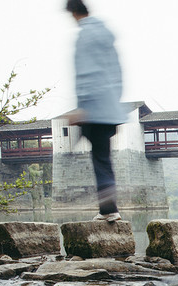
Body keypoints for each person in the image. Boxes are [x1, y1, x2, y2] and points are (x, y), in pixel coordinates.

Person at [65, 0, 127, 223]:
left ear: (74, 13)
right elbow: (118, 74)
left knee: (99, 158)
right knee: (104, 158)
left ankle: (108, 209)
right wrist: (115, 103)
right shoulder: (107, 37)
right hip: (111, 109)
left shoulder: (85, 37)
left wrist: (83, 107)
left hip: (95, 109)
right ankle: (110, 208)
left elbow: (86, 74)